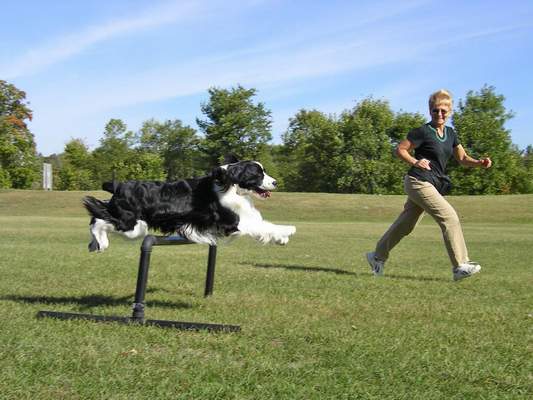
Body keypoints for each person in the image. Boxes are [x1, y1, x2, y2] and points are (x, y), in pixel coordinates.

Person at [366, 89, 492, 281]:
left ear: (449, 111)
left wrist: (479, 163)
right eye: (435, 111)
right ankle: (459, 265)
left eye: (443, 111)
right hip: (418, 181)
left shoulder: (451, 133)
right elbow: (400, 149)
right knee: (449, 217)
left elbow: (463, 158)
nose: (439, 114)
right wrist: (415, 161)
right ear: (430, 111)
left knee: (406, 224)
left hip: (432, 184)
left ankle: (376, 256)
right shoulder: (422, 132)